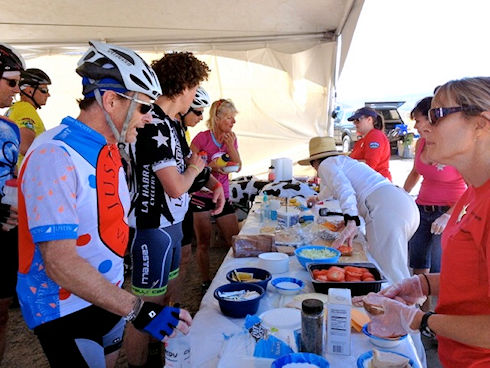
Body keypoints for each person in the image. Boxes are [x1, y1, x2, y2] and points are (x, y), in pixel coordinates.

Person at [16, 41, 192, 368]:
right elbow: (60, 264)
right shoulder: (56, 155)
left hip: (106, 294)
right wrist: (138, 308)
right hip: (65, 308)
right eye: (143, 108)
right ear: (110, 101)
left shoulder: (108, 147)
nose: (149, 118)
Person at [365, 77, 490, 368]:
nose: (424, 127)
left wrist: (420, 319)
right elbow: (474, 280)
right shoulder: (472, 193)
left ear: (481, 124)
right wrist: (423, 284)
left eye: (437, 114)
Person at [124, 53, 224, 367]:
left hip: (170, 226)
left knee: (164, 295)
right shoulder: (152, 123)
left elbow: (187, 170)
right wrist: (196, 170)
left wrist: (213, 184)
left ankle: (158, 351)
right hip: (151, 229)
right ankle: (137, 363)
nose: (196, 98)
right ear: (183, 87)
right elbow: (177, 184)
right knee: (144, 307)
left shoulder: (172, 125)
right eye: (195, 89)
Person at [300, 136, 419, 284]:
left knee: (388, 274)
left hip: (385, 208)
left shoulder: (325, 165)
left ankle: (402, 306)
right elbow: (333, 187)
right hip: (402, 203)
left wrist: (351, 220)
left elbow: (344, 189)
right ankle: (406, 304)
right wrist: (318, 199)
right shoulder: (343, 162)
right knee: (396, 269)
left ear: (315, 163)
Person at [403, 97, 466, 294]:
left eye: (419, 119)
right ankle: (419, 311)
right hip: (421, 207)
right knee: (418, 263)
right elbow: (415, 172)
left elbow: (471, 189)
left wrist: (448, 216)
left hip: (449, 211)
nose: (416, 125)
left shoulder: (454, 146)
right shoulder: (422, 143)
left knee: (439, 268)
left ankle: (437, 316)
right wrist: (403, 196)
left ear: (433, 118)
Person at [190, 98, 241, 292]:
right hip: (201, 196)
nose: (233, 122)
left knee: (233, 239)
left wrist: (230, 147)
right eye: (229, 117)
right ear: (217, 118)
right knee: (203, 243)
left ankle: (235, 276)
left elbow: (238, 165)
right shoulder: (201, 138)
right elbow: (189, 166)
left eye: (233, 117)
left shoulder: (232, 137)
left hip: (223, 195)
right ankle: (205, 281)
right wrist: (208, 168)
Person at [0, 42, 25, 365]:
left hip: (7, 231)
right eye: (11, 82)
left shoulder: (9, 129)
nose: (18, 92)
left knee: (2, 314)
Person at [176, 86, 211, 293]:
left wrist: (211, 182)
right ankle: (167, 306)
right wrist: (195, 170)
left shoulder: (182, 131)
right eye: (197, 111)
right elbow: (193, 165)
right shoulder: (168, 128)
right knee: (178, 259)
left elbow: (192, 162)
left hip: (183, 203)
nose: (200, 117)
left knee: (185, 256)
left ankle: (174, 302)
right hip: (171, 206)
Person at [5, 68, 51, 169]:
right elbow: (25, 147)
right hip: (24, 177)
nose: (48, 95)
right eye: (44, 90)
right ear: (29, 91)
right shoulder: (26, 109)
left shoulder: (15, 108)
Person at [348, 107, 392, 181]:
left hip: (377, 183)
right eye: (354, 121)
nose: (355, 123)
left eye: (357, 120)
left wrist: (347, 163)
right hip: (368, 183)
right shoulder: (363, 140)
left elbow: (370, 165)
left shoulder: (375, 136)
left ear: (369, 120)